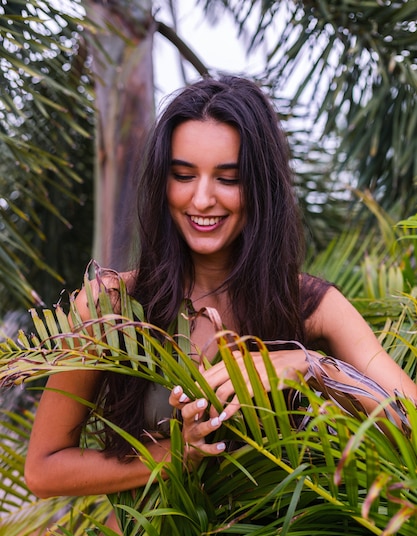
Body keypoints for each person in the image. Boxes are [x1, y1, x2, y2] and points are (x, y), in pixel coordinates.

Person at [24, 74, 416, 500]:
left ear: (259, 187)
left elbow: (410, 420)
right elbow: (43, 469)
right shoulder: (112, 305)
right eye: (184, 175)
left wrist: (312, 369)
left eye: (228, 178)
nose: (202, 199)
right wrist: (176, 454)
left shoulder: (310, 305)